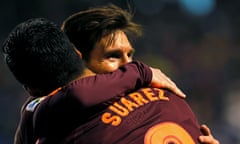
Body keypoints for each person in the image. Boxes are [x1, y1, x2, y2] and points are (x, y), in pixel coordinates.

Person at [2, 18, 186, 144]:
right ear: (78, 53)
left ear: (31, 90)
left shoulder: (39, 116)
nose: (125, 63)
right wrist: (141, 71)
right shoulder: (168, 95)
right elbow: (78, 94)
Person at [61, 4, 219, 144]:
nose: (129, 66)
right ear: (77, 61)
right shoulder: (61, 124)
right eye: (113, 56)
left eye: (129, 55)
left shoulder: (161, 93)